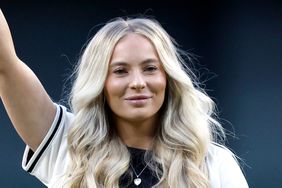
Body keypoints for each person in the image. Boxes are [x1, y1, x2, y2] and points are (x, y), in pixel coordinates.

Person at [0, 9, 248, 188]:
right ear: (99, 84)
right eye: (120, 71)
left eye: (150, 68)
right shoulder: (69, 144)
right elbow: (5, 65)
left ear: (169, 78)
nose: (138, 82)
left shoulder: (212, 163)